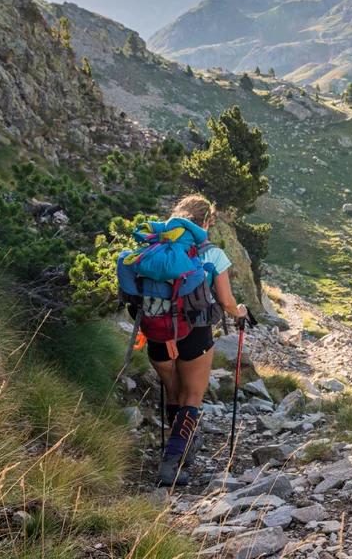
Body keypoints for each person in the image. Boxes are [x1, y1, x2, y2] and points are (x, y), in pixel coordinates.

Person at [150, 194, 247, 487]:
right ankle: (172, 463)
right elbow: (227, 302)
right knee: (192, 396)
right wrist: (240, 311)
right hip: (195, 333)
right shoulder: (212, 253)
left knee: (173, 392)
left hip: (157, 332)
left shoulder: (156, 249)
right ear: (206, 221)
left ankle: (183, 444)